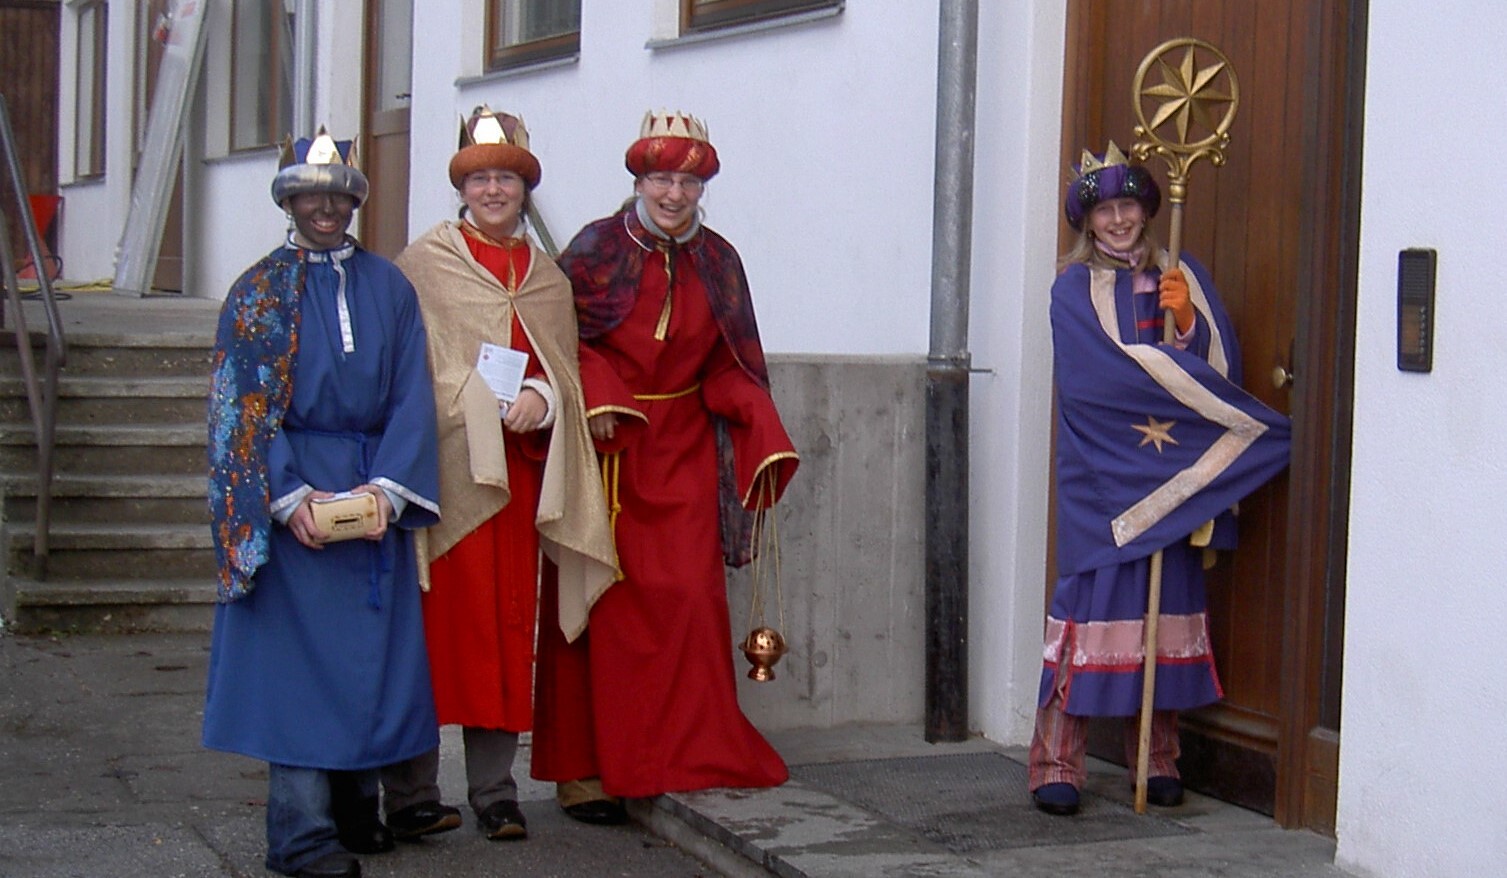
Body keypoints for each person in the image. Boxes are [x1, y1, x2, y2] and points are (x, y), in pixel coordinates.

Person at [531, 110, 799, 822]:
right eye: (659, 177)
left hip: (680, 450)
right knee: (598, 607)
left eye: (685, 179)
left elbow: (727, 363)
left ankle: (677, 754)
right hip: (604, 451)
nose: (672, 193)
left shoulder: (720, 260)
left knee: (686, 601)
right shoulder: (592, 248)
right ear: (638, 180)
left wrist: (759, 422)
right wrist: (603, 396)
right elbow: (556, 340)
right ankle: (586, 771)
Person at [1027, 142, 1292, 817]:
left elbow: (1214, 371)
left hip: (1169, 477)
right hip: (1101, 475)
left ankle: (1157, 758)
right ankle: (1056, 763)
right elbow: (1094, 384)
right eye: (1105, 210)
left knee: (1158, 609)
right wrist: (1159, 380)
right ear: (1086, 221)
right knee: (1091, 612)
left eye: (1128, 207)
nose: (1118, 220)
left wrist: (1185, 319)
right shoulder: (1069, 288)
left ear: (1147, 210)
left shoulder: (1180, 272)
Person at [203, 130, 441, 878]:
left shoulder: (389, 287)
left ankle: (356, 812)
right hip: (294, 489)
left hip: (372, 486)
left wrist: (387, 489)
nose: (325, 207)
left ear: (353, 201)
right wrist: (289, 497)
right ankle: (300, 835)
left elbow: (412, 394)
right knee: (297, 675)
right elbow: (240, 410)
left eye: (337, 194)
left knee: (365, 664)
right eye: (310, 193)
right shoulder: (256, 292)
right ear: (290, 200)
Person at [377, 106, 618, 842]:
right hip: (446, 478)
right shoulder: (425, 263)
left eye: (505, 180)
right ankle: (413, 792)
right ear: (463, 186)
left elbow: (564, 369)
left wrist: (545, 399)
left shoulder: (546, 276)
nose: (493, 191)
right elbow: (409, 365)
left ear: (523, 190)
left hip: (517, 484)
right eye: (480, 178)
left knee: (507, 637)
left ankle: (494, 791)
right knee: (429, 636)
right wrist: (471, 402)